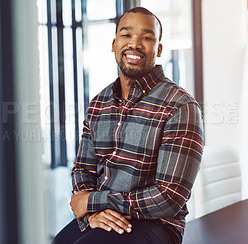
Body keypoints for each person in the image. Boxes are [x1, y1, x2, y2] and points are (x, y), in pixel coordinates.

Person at [54, 7, 204, 244]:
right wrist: (93, 213)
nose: (135, 44)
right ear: (114, 44)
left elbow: (169, 198)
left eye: (146, 37)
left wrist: (92, 201)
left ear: (159, 49)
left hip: (156, 223)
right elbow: (83, 169)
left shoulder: (180, 106)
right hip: (101, 215)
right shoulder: (99, 103)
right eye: (126, 35)